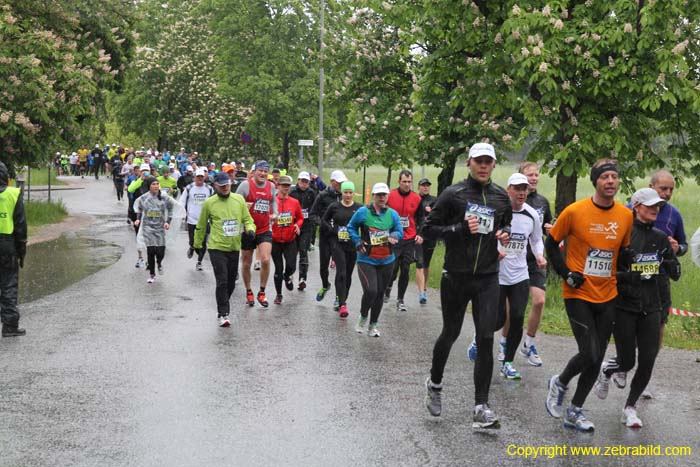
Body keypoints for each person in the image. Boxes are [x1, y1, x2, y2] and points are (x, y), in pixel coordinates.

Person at [422, 142, 511, 429]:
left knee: (486, 337)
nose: (483, 166)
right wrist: (459, 229)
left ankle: (481, 406)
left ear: (494, 165)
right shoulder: (453, 194)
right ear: (469, 163)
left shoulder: (501, 197)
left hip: (487, 276)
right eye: (478, 161)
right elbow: (428, 229)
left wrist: (504, 233)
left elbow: (506, 223)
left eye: (488, 161)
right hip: (456, 276)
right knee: (451, 332)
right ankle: (435, 383)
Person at [544, 158, 633, 432]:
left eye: (614, 177)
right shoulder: (575, 211)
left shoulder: (625, 216)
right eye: (605, 177)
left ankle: (575, 411)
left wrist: (626, 272)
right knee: (590, 352)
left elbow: (622, 255)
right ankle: (560, 381)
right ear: (595, 181)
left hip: (607, 294)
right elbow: (551, 242)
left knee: (597, 356)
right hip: (578, 292)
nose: (610, 182)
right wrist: (566, 272)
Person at [592, 188, 680, 428]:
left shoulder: (661, 237)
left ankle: (630, 407)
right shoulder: (623, 233)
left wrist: (670, 256)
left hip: (651, 307)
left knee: (648, 359)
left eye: (658, 206)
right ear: (637, 206)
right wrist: (632, 275)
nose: (655, 209)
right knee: (627, 361)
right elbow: (609, 272)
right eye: (650, 205)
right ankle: (608, 370)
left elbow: (676, 273)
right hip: (624, 306)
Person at [495, 173, 546, 380]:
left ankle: (508, 362)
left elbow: (536, 240)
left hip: (519, 274)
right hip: (497, 274)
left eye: (524, 189)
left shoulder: (531, 214)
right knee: (496, 319)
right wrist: (494, 251)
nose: (522, 192)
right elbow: (486, 235)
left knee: (516, 317)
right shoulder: (499, 212)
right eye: (517, 188)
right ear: (508, 190)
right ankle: (477, 339)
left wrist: (540, 255)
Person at [195, 172, 256, 327]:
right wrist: (197, 244)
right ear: (215, 185)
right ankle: (223, 313)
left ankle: (223, 303)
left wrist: (250, 229)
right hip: (216, 247)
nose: (225, 188)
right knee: (221, 280)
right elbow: (201, 225)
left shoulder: (239, 200)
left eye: (227, 185)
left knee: (231, 283)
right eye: (221, 185)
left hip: (234, 246)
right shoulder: (209, 203)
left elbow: (248, 219)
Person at [347, 183, 403, 337]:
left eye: (384, 195)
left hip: (387, 260)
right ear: (373, 196)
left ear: (387, 196)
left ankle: (373, 326)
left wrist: (395, 235)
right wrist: (357, 241)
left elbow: (399, 230)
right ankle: (363, 316)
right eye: (378, 195)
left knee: (380, 293)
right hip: (367, 259)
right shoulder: (363, 212)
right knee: (371, 290)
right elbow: (350, 227)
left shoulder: (392, 214)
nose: (382, 198)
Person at [519, 162, 554, 367]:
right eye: (529, 175)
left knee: (539, 301)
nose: (533, 178)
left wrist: (550, 229)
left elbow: (546, 226)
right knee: (510, 308)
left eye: (536, 174)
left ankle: (529, 343)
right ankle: (495, 342)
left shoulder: (542, 201)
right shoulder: (513, 198)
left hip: (535, 259)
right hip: (514, 258)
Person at [236, 160, 278, 307]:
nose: (263, 174)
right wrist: (243, 211)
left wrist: (275, 213)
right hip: (248, 229)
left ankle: (262, 292)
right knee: (246, 262)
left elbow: (274, 201)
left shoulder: (271, 186)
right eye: (260, 170)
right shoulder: (245, 185)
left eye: (266, 171)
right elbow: (235, 203)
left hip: (265, 228)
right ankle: (248, 291)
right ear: (254, 172)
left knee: (266, 259)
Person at [384, 170, 424, 312]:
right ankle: (388, 287)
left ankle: (400, 299)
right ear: (399, 182)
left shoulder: (417, 198)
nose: (407, 184)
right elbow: (383, 213)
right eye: (404, 182)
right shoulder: (390, 196)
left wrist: (420, 234)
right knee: (393, 268)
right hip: (394, 238)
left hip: (409, 238)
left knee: (405, 269)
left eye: (409, 182)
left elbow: (421, 218)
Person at [322, 180, 361, 318]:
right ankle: (343, 304)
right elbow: (324, 220)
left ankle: (342, 297)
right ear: (342, 193)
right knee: (342, 272)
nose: (348, 195)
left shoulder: (359, 208)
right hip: (337, 243)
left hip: (351, 244)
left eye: (350, 193)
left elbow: (364, 225)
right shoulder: (334, 206)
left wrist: (363, 241)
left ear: (353, 193)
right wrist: (332, 230)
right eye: (346, 192)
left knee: (348, 275)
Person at [310, 170, 347, 301]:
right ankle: (325, 285)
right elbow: (312, 214)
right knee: (323, 267)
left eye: (343, 182)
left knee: (341, 269)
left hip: (339, 237)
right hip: (325, 235)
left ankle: (339, 296)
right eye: (339, 182)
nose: (342, 185)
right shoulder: (322, 195)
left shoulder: (344, 195)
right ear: (332, 182)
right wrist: (323, 224)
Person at [0, 162, 27, 337]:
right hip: (6, 244)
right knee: (8, 284)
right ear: (7, 179)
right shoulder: (13, 194)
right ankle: (9, 326)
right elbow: (20, 226)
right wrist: (21, 252)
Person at [133, 177, 176, 283]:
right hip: (148, 227)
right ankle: (152, 274)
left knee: (160, 252)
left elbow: (171, 208)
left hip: (160, 227)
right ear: (149, 186)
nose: (156, 186)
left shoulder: (164, 197)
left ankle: (159, 263)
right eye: (153, 184)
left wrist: (168, 221)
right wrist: (138, 219)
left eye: (157, 184)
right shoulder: (143, 198)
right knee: (151, 251)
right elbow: (139, 208)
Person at [271, 176, 304, 305]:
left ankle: (287, 276)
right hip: (275, 240)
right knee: (278, 268)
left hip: (290, 240)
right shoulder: (272, 202)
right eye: (283, 185)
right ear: (278, 186)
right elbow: (266, 217)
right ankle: (278, 295)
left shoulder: (294, 202)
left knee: (291, 266)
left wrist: (297, 225)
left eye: (288, 186)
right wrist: (271, 218)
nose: (285, 188)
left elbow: (300, 218)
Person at [289, 171, 318, 290]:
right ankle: (290, 274)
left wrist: (314, 218)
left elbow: (315, 207)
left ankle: (302, 278)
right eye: (302, 181)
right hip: (292, 225)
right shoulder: (292, 192)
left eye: (306, 182)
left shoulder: (312, 193)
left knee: (303, 251)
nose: (304, 184)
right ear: (298, 181)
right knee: (291, 252)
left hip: (306, 226)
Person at [183, 168, 215, 270]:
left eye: (201, 177)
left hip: (205, 220)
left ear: (204, 177)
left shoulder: (209, 189)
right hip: (192, 219)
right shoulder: (189, 188)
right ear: (194, 177)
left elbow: (214, 202)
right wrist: (181, 214)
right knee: (193, 241)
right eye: (198, 177)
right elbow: (182, 201)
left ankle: (199, 261)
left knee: (203, 242)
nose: (200, 179)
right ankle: (192, 247)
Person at [415, 178, 436, 305]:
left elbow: (440, 214)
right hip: (417, 235)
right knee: (420, 263)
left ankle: (424, 287)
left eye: (427, 185)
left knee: (426, 264)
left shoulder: (434, 200)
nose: (425, 187)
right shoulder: (415, 199)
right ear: (419, 187)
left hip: (430, 235)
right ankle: (421, 293)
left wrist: (432, 211)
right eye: (423, 185)